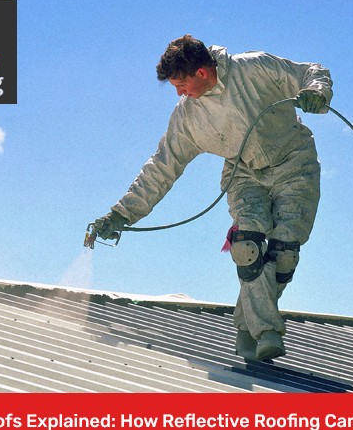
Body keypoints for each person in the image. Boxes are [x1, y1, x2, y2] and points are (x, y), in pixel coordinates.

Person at [93, 34, 332, 362]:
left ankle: (246, 328)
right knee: (247, 246)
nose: (179, 93)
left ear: (201, 73)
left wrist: (317, 91)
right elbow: (162, 167)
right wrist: (122, 214)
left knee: (285, 251)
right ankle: (267, 331)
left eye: (181, 84)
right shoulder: (187, 117)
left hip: (295, 165)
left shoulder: (254, 68)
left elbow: (310, 70)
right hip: (244, 173)